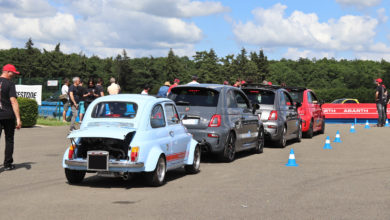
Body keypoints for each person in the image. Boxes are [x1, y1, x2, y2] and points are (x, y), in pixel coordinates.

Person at [0, 64, 22, 170]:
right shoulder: (10, 84)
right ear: (7, 71)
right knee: (9, 140)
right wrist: (18, 118)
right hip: (8, 115)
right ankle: (7, 164)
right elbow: (13, 101)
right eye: (13, 73)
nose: (13, 75)